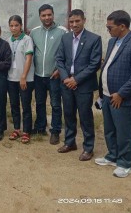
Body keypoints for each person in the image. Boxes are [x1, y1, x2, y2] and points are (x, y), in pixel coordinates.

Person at [56, 9, 102, 161]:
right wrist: (65, 78)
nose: (74, 24)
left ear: (84, 20)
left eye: (77, 21)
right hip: (66, 84)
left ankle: (88, 148)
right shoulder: (65, 38)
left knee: (85, 116)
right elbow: (60, 60)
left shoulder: (94, 39)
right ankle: (70, 142)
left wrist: (76, 79)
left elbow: (94, 64)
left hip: (84, 85)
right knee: (68, 114)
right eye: (71, 22)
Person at [95, 10, 131, 178]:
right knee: (110, 129)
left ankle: (126, 163)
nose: (108, 30)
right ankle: (112, 155)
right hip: (107, 95)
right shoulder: (113, 41)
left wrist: (121, 93)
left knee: (124, 131)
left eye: (109, 27)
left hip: (122, 98)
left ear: (122, 26)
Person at [30, 4, 67, 144]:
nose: (47, 17)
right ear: (40, 17)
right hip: (38, 76)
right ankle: (40, 127)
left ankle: (55, 131)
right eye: (44, 15)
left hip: (55, 76)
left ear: (53, 15)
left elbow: (66, 54)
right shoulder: (34, 32)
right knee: (39, 103)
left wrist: (59, 70)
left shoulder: (62, 31)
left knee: (56, 104)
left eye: (49, 15)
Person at [7, 16, 35, 144]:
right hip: (11, 78)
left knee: (26, 105)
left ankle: (26, 131)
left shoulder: (27, 39)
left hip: (25, 79)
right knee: (14, 105)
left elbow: (29, 58)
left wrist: (23, 76)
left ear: (21, 25)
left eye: (16, 25)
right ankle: (17, 129)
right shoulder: (8, 40)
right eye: (11, 26)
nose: (14, 28)